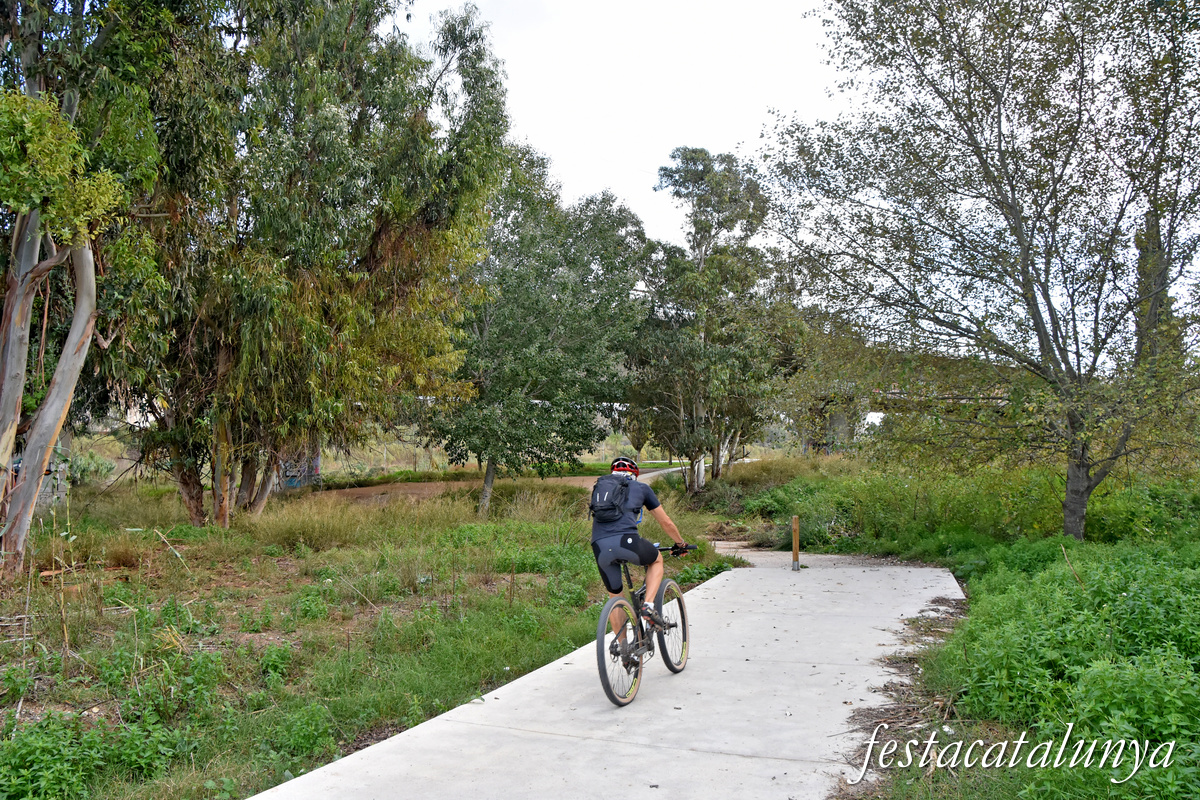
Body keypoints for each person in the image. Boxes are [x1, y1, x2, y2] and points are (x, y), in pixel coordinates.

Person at [591, 456, 688, 628]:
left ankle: (625, 649)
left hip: (599, 546)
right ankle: (648, 606)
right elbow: (666, 522)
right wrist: (680, 543)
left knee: (616, 597)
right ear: (634, 474)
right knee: (656, 559)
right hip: (626, 541)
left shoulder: (601, 489)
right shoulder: (641, 488)